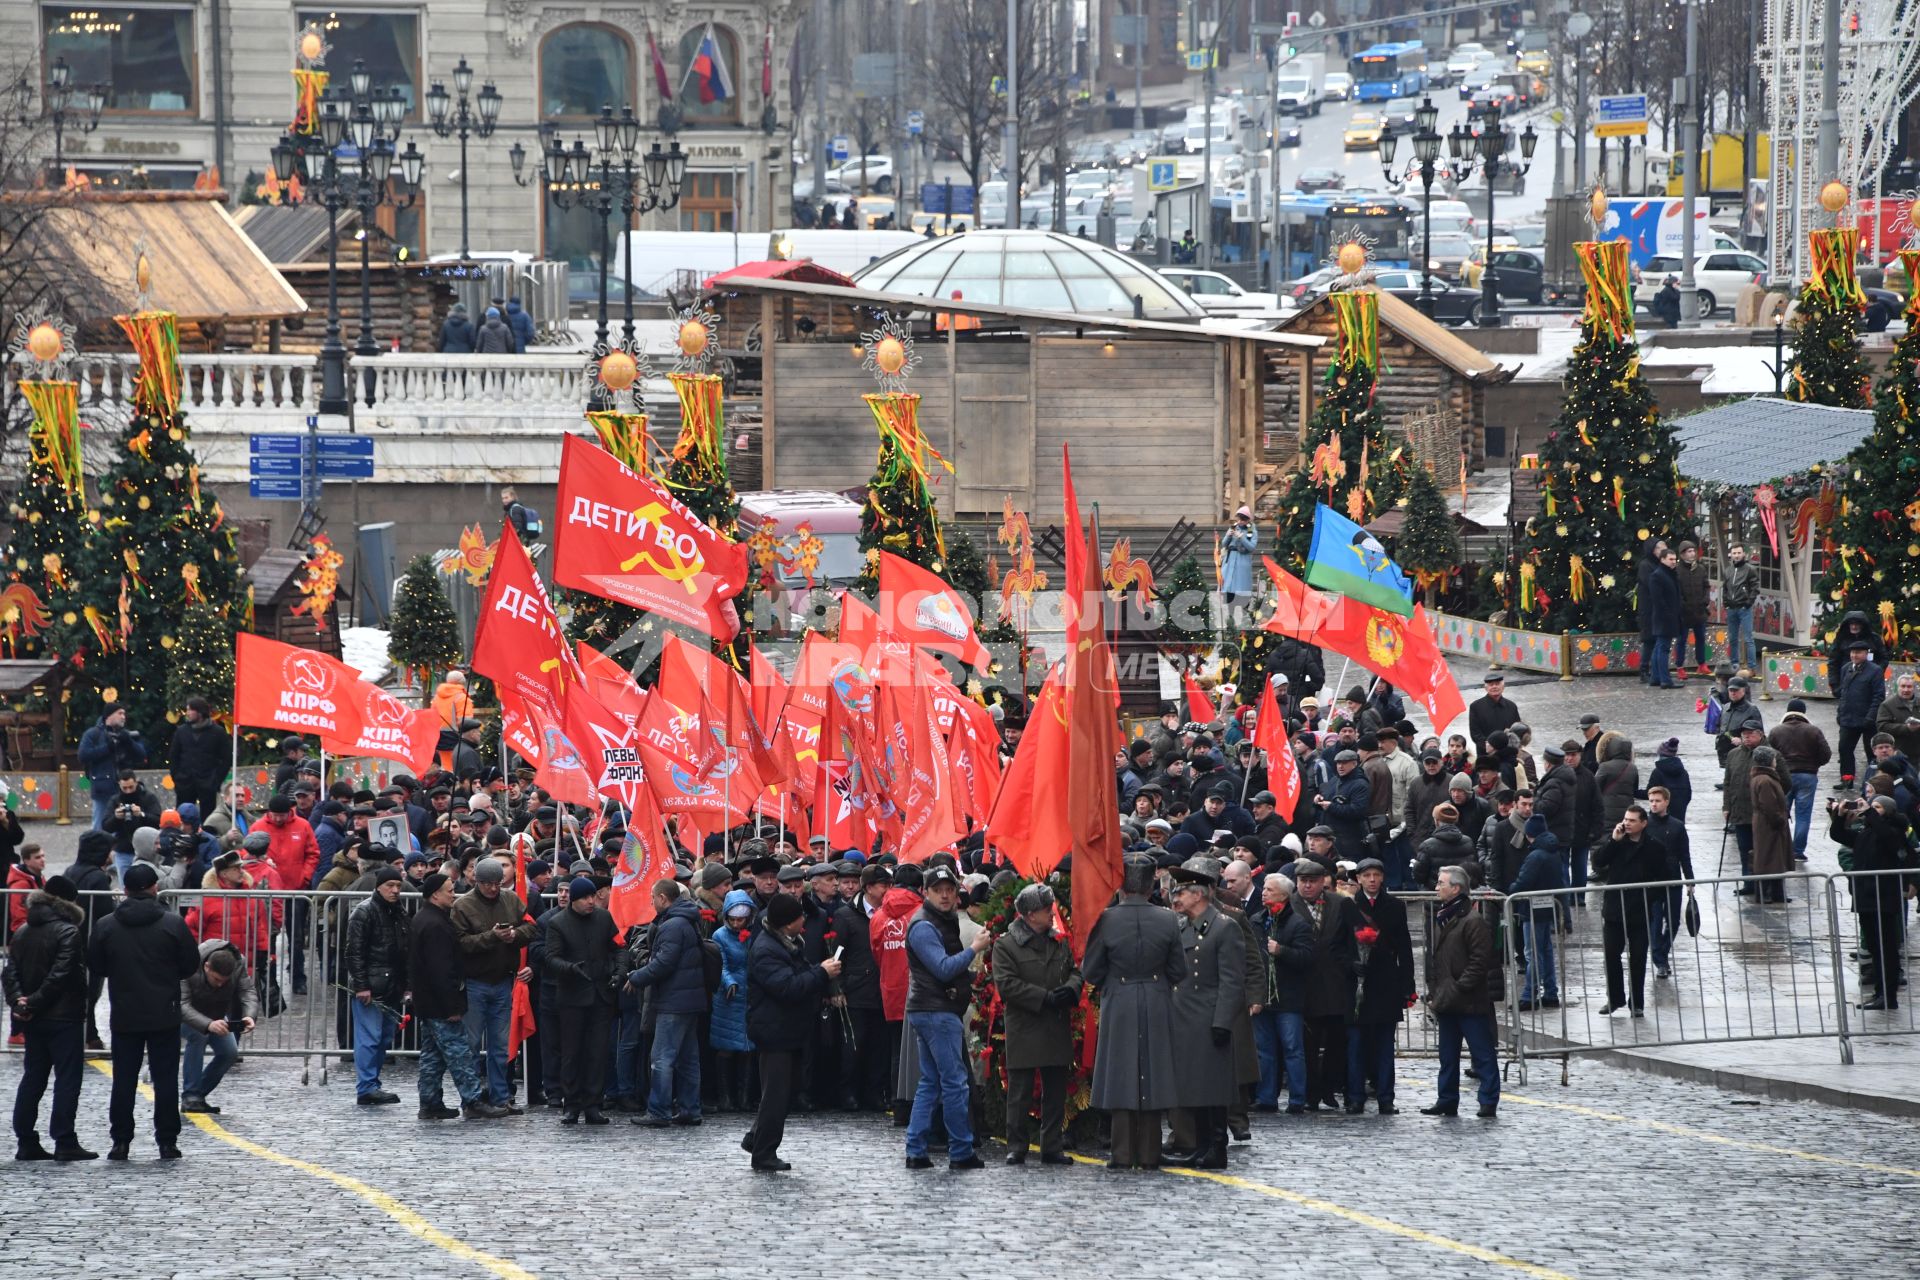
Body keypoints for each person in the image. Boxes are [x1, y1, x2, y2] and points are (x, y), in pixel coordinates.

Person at [88, 863, 200, 1160]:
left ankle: (121, 1140)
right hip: (164, 1011)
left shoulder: (106, 925)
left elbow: (96, 966)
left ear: (125, 890)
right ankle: (167, 1140)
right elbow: (190, 965)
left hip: (125, 1012)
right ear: (154, 888)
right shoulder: (173, 924)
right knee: (165, 1080)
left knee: (124, 1080)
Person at [1083, 854, 1186, 1169]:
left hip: (1120, 999)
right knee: (1155, 1074)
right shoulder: (1168, 919)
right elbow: (1178, 969)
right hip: (1156, 998)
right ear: (1151, 882)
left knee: (1120, 1074)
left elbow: (1091, 969)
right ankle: (1150, 1152)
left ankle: (1122, 1153)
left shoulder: (1106, 918)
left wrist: (1115, 982)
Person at [903, 864, 992, 1171]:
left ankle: (916, 1149)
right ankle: (960, 1151)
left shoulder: (937, 919)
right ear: (925, 892)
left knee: (932, 1082)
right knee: (954, 1083)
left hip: (932, 1008)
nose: (944, 895)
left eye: (949, 890)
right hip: (936, 1011)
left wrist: (970, 978)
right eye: (938, 890)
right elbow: (941, 968)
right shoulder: (925, 925)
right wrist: (975, 950)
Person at [745, 893, 841, 1171]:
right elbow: (787, 987)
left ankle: (756, 1137)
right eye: (800, 917)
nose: (805, 922)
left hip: (786, 1029)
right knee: (776, 1095)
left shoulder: (784, 942)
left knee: (780, 1092)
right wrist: (822, 974)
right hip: (774, 1031)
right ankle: (763, 1153)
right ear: (788, 923)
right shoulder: (767, 949)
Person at [5, 875, 95, 1161]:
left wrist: (21, 1003)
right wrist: (32, 1001)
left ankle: (25, 1139)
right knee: (67, 1078)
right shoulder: (67, 932)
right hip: (62, 1016)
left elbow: (10, 972)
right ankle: (64, 1139)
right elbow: (62, 974)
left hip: (33, 1018)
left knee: (33, 1077)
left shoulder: (22, 931)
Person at [990, 882, 1080, 1165]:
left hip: (1055, 1025)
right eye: (1045, 909)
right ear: (1029, 914)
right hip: (1025, 1025)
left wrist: (1073, 989)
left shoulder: (1059, 941)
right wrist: (1045, 998)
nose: (1051, 913)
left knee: (1055, 1092)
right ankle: (1017, 1145)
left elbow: (1076, 969)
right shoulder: (1006, 945)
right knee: (1020, 1092)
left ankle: (1051, 1145)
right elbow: (1007, 985)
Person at [408, 872, 508, 1120]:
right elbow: (442, 970)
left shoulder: (425, 919)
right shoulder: (435, 925)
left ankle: (430, 1102)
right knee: (459, 1054)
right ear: (435, 895)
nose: (454, 894)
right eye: (449, 890)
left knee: (432, 1056)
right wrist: (452, 1006)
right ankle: (472, 1100)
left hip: (429, 1003)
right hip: (441, 1005)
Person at [1162, 859, 1241, 1169]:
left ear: (1199, 895)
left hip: (1208, 1019)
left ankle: (1216, 1146)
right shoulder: (1182, 925)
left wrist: (1222, 1021)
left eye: (1181, 892)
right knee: (1192, 1088)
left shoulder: (1224, 927)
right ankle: (1199, 1145)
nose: (1175, 898)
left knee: (1212, 1088)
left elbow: (1232, 981)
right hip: (1183, 1019)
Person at [449, 858, 534, 1111]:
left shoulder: (511, 900)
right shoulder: (463, 905)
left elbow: (531, 927)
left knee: (500, 1046)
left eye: (497, 884)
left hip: (502, 981)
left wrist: (514, 935)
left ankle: (500, 1096)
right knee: (472, 1045)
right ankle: (472, 1098)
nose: (493, 889)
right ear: (477, 882)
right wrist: (492, 938)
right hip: (475, 982)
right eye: (488, 884)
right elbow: (460, 943)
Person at [624, 878, 708, 1127]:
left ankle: (659, 1110)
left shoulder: (672, 926)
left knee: (661, 1058)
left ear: (663, 898)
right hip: (689, 999)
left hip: (674, 1000)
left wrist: (636, 977)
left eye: (653, 898)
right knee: (688, 1059)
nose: (651, 902)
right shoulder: (687, 921)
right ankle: (690, 1109)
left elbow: (663, 963)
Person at [1421, 865, 1500, 1118]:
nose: (1436, 887)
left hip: (1469, 1001)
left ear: (1455, 888)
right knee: (1447, 1056)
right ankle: (1446, 1099)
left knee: (1482, 1053)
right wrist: (1437, 990)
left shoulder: (1472, 920)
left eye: (1441, 883)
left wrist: (1458, 987)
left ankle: (1488, 1100)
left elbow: (1480, 961)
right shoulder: (1444, 916)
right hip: (1448, 999)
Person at [1346, 857, 1415, 1115]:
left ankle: (1386, 1097)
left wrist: (1408, 984)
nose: (1372, 880)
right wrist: (1351, 964)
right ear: (1359, 879)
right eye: (1367, 875)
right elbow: (1340, 945)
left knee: (1385, 1045)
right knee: (1356, 1045)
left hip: (1385, 982)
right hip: (1357, 984)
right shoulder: (1350, 905)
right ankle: (1355, 1096)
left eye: (1376, 875)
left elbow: (1404, 947)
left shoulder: (1395, 906)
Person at [1831, 794, 1913, 1010]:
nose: (1871, 810)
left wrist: (1868, 812)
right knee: (1876, 948)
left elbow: (1888, 838)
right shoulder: (1866, 832)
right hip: (1866, 896)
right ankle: (1880, 993)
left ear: (1888, 811)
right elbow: (1838, 835)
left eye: (1877, 807)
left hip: (1883, 896)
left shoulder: (1894, 830)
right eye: (1871, 806)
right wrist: (1838, 816)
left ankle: (1889, 995)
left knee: (1886, 947)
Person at [549, 875, 619, 1125]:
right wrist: (569, 968)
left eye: (593, 896)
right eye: (586, 898)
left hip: (600, 995)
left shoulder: (604, 918)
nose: (592, 901)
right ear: (574, 901)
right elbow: (551, 957)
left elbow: (618, 947)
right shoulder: (558, 923)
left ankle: (593, 1104)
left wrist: (619, 971)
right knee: (572, 1052)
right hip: (572, 997)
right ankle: (572, 1104)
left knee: (597, 1053)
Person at [1291, 853, 1357, 1109]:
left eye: (1313, 880)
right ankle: (1311, 1092)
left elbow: (1351, 939)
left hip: (1335, 983)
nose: (1307, 885)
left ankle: (1329, 1089)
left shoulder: (1339, 904)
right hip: (1304, 985)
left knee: (1336, 1043)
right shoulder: (1290, 904)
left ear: (1323, 882)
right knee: (1308, 1045)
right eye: (1303, 880)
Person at [1590, 805, 1668, 1016]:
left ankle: (1637, 1003)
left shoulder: (1654, 846)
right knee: (1611, 955)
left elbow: (1664, 878)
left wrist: (1648, 896)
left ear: (1643, 823)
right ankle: (1614, 999)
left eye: (1632, 820)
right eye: (1625, 819)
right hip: (1615, 909)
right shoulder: (1617, 842)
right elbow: (1598, 862)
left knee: (1638, 957)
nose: (1627, 823)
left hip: (1639, 910)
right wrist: (1613, 841)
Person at [345, 865, 409, 1106]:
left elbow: (405, 950)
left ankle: (371, 1083)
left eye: (398, 886)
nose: (395, 891)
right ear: (378, 887)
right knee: (370, 1037)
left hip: (391, 984)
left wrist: (406, 984)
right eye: (390, 886)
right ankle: (367, 1086)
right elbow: (354, 952)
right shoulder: (364, 912)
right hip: (371, 986)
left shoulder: (398, 911)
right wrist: (361, 985)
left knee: (383, 1037)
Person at [179, 940, 258, 1115]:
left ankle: (197, 1096)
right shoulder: (187, 963)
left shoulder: (238, 963)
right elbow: (182, 1005)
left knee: (229, 1053)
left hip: (216, 1015)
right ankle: (191, 1095)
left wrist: (249, 1015)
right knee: (198, 1036)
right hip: (182, 1015)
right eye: (216, 979)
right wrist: (208, 1025)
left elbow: (247, 992)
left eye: (225, 981)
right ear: (206, 967)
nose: (220, 984)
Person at [1506, 823, 1568, 1010]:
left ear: (1529, 834)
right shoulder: (1552, 851)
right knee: (1545, 951)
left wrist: (1511, 890)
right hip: (1547, 907)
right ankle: (1550, 992)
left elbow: (1524, 881)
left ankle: (1529, 995)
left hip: (1532, 908)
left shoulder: (1535, 855)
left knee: (1532, 953)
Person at [1769, 700, 1831, 859]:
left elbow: (1769, 755)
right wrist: (1814, 764)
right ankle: (1797, 851)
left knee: (1781, 812)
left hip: (1783, 777)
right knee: (1803, 815)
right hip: (1808, 776)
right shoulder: (1814, 731)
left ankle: (1781, 848)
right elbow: (1826, 755)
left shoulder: (1776, 731)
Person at [78, 704, 146, 831]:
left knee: (125, 826)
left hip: (125, 788)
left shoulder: (126, 734)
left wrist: (129, 742)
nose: (123, 717)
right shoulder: (93, 734)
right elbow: (83, 755)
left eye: (124, 714)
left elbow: (142, 756)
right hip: (103, 787)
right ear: (109, 715)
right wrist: (107, 748)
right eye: (120, 713)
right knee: (100, 825)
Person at [1835, 639, 1886, 784]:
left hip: (1867, 719)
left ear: (1865, 653)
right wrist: (1840, 713)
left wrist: (1870, 716)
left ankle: (1875, 780)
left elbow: (1878, 696)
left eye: (1858, 652)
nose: (1854, 655)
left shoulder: (1875, 671)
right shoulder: (1846, 668)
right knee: (1844, 749)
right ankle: (1847, 779)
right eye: (1852, 652)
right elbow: (1843, 693)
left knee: (1872, 752)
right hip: (1848, 718)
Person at [1748, 746, 1794, 904]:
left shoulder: (1764, 778)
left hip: (1768, 823)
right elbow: (1768, 805)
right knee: (1767, 857)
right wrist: (1779, 820)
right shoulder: (1765, 780)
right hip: (1768, 824)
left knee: (1776, 858)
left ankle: (1777, 893)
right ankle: (1764, 893)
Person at [1724, 720, 1765, 892]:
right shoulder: (1733, 754)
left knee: (1762, 850)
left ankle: (1764, 884)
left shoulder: (1768, 754)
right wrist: (1726, 806)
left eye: (1750, 734)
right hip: (1739, 811)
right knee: (1744, 849)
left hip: (1761, 813)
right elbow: (1727, 783)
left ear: (1760, 735)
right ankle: (1748, 883)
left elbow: (1784, 781)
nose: (1746, 737)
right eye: (1744, 734)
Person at [168, 697, 227, 814]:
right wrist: (177, 777)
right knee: (183, 816)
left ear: (200, 712)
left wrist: (216, 781)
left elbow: (226, 758)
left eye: (190, 710)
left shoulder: (217, 732)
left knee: (208, 819)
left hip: (207, 783)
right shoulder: (182, 731)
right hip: (185, 782)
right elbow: (173, 756)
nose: (187, 713)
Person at [1645, 546, 1682, 689]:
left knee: (1659, 647)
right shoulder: (1657, 575)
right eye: (1670, 559)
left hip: (1669, 617)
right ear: (1662, 560)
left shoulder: (1670, 574)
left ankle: (1656, 677)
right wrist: (1669, 615)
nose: (1673, 562)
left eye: (1675, 559)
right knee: (1663, 648)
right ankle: (1665, 679)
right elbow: (1658, 599)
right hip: (1664, 618)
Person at [1721, 542, 1759, 673]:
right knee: (1733, 638)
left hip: (1744, 608)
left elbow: (1755, 588)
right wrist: (1725, 602)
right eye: (1734, 553)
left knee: (1748, 638)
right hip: (1731, 608)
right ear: (1731, 555)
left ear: (1744, 554)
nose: (1736, 555)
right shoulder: (1728, 570)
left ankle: (1752, 667)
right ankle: (1734, 664)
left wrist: (1749, 602)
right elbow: (1725, 588)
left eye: (1738, 553)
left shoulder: (1750, 569)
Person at [1466, 673, 1520, 755]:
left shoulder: (1511, 706)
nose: (1494, 687)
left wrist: (1506, 748)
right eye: (1491, 684)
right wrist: (1490, 747)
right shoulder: (1476, 706)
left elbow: (1517, 731)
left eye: (1497, 684)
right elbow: (1475, 734)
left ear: (1503, 686)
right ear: (1486, 688)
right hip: (1485, 755)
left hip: (1507, 753)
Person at [1220, 505, 1257, 608]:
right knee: (1228, 586)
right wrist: (1228, 535)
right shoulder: (1233, 527)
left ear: (1247, 520)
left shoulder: (1252, 530)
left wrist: (1242, 538)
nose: (1240, 522)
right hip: (1230, 559)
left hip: (1242, 559)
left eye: (1243, 520)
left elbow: (1252, 547)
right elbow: (1224, 544)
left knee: (1241, 587)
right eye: (1239, 519)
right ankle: (1229, 615)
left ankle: (1244, 612)